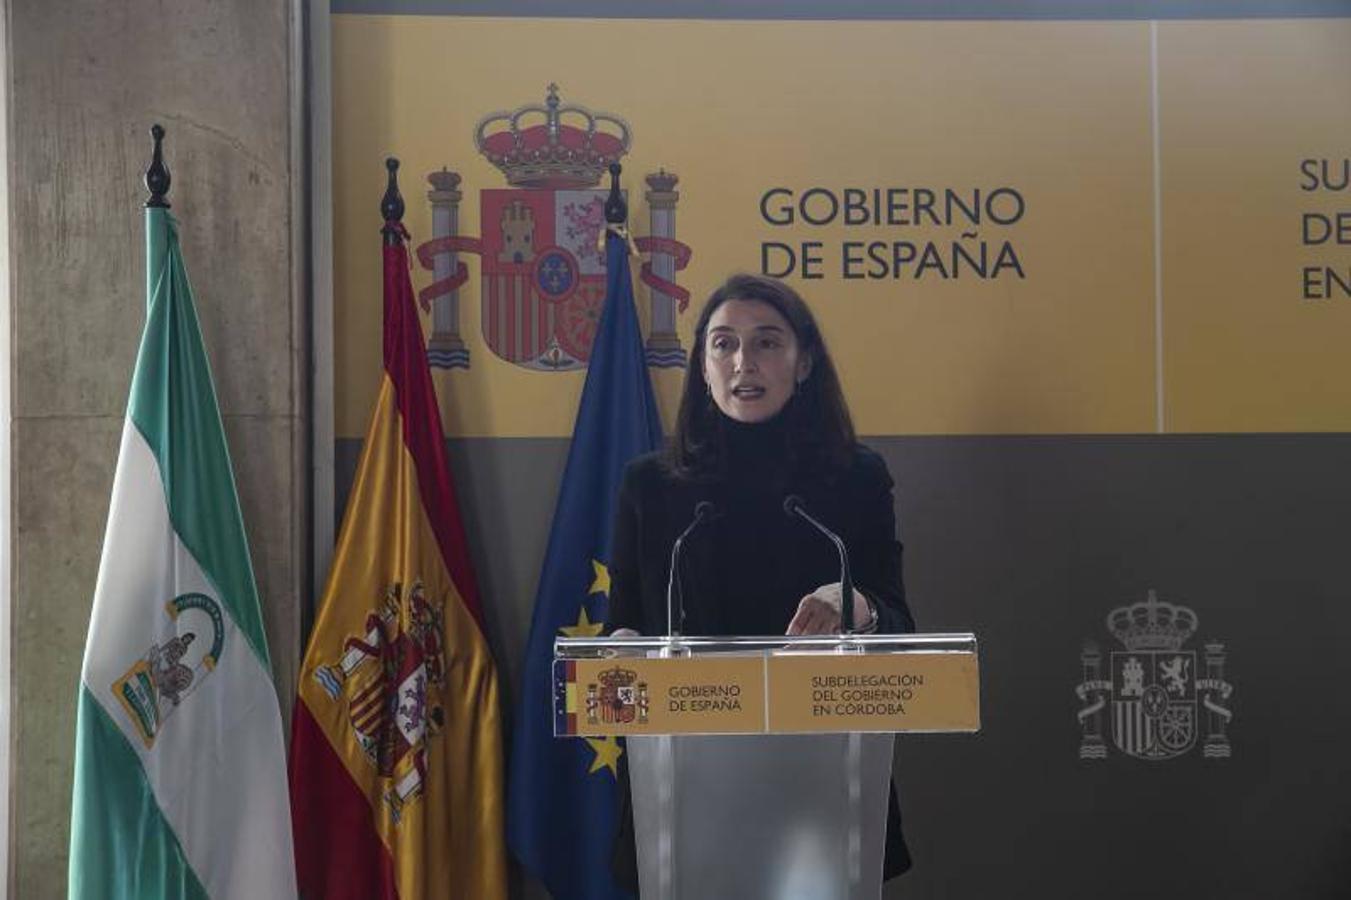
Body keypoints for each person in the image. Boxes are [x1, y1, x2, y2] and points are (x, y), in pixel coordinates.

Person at [607, 273, 916, 886]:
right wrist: (620, 655)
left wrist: (854, 603)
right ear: (702, 365)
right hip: (686, 782)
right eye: (723, 344)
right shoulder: (652, 485)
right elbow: (626, 622)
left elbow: (899, 622)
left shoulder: (854, 478)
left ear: (803, 363)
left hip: (820, 783)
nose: (743, 362)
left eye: (767, 342)